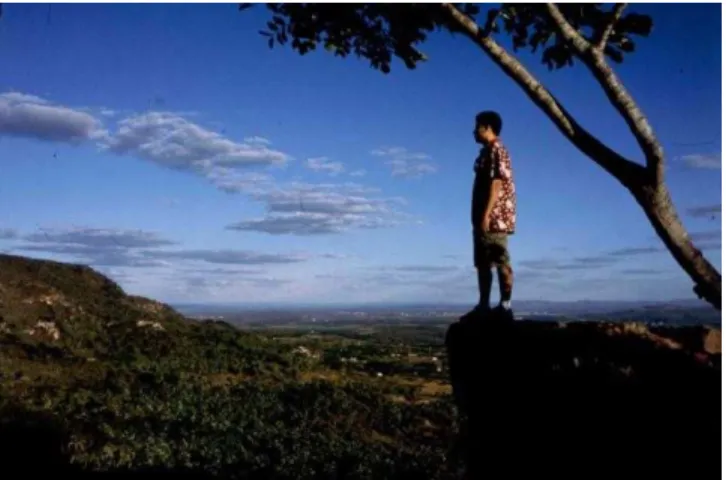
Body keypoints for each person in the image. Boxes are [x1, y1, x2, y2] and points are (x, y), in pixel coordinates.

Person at [469, 111, 516, 319]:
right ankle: (484, 305)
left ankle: (504, 305)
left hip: (494, 218)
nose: (474, 131)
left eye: (477, 126)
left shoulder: (497, 149)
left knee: (499, 259)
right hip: (483, 217)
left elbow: (496, 183)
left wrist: (486, 215)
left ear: (488, 127)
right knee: (483, 263)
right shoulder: (485, 152)